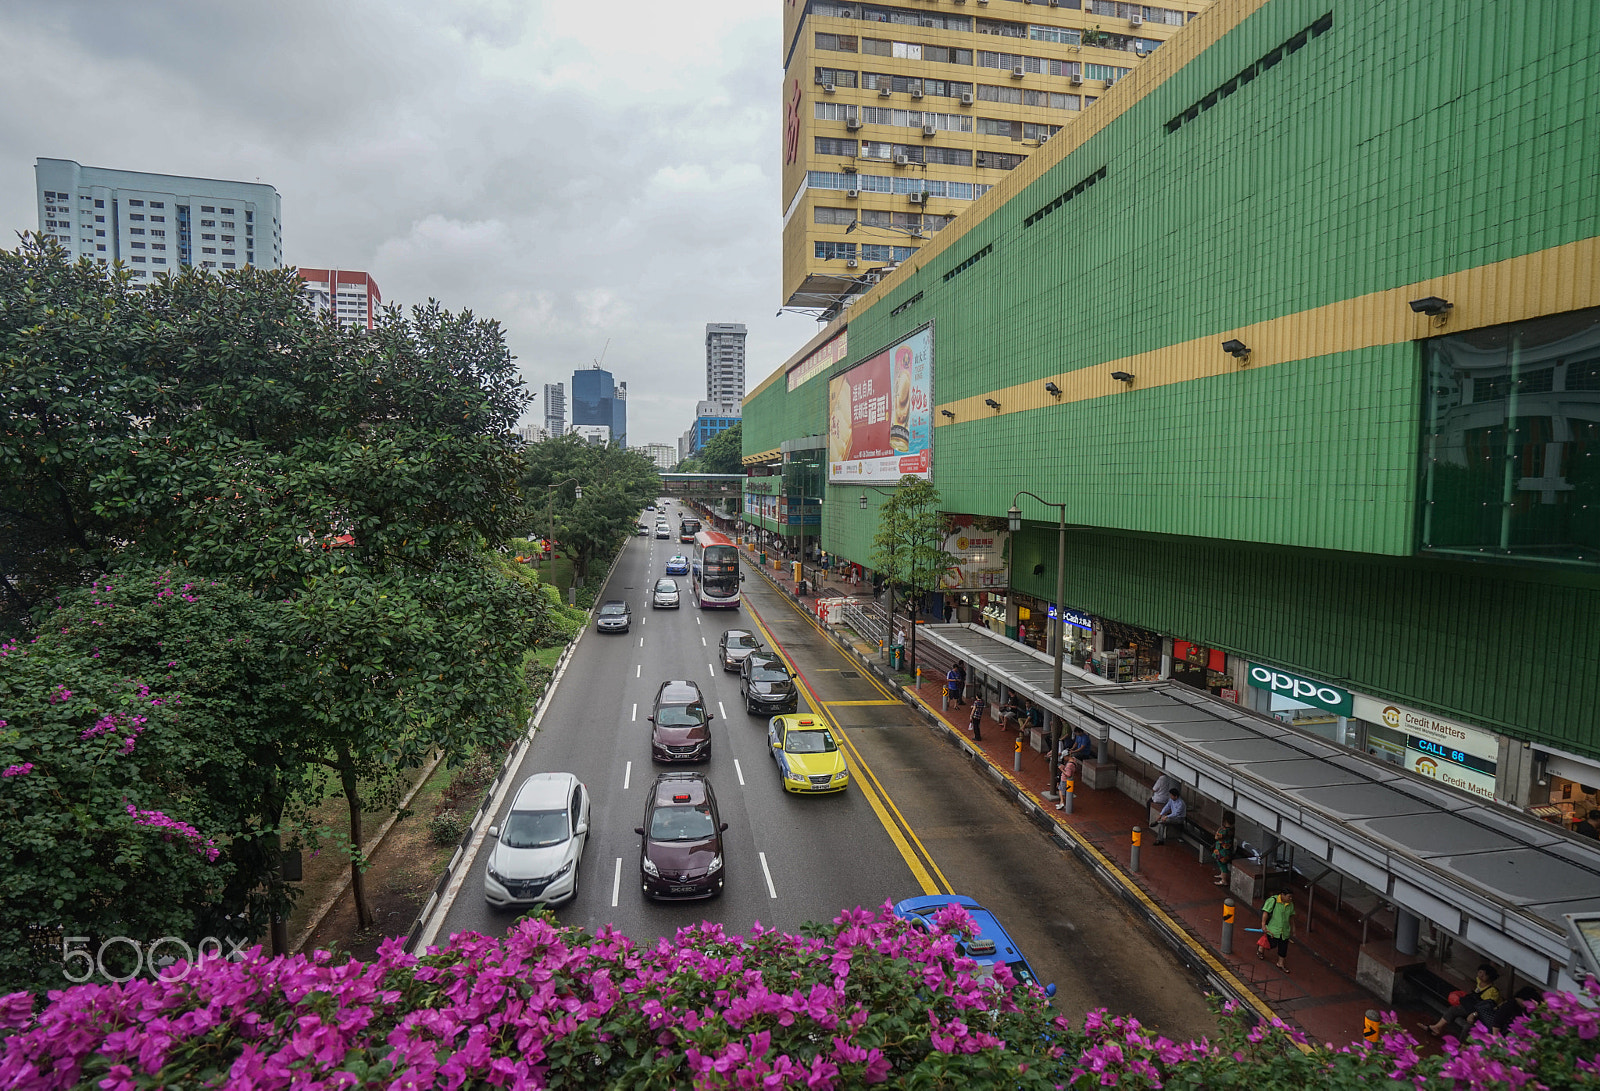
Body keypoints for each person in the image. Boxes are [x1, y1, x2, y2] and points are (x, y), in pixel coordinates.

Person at [1423, 963, 1501, 1037]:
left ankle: (1462, 1046)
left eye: (1484, 974)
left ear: (1490, 977)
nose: (1481, 975)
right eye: (1480, 972)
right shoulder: (1479, 980)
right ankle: (1437, 1027)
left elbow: (1486, 1009)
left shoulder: (1492, 992)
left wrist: (1473, 1014)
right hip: (1472, 1008)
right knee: (1453, 1010)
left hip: (1482, 1015)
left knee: (1468, 1027)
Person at [1258, 888, 1296, 973]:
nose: (1290, 899)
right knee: (1271, 944)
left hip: (1284, 931)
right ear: (1282, 895)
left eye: (1291, 897)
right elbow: (1266, 913)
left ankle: (1280, 963)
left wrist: (1293, 928)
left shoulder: (1290, 904)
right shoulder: (1273, 900)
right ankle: (1261, 947)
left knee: (1283, 947)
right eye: (1289, 897)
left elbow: (1291, 917)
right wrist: (1263, 925)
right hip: (1273, 929)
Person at [1211, 812, 1237, 886]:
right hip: (1226, 850)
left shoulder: (1224, 830)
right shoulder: (1232, 829)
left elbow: (1217, 836)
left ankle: (1224, 880)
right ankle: (1222, 875)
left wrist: (1218, 830)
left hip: (1222, 851)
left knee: (1222, 864)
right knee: (1222, 863)